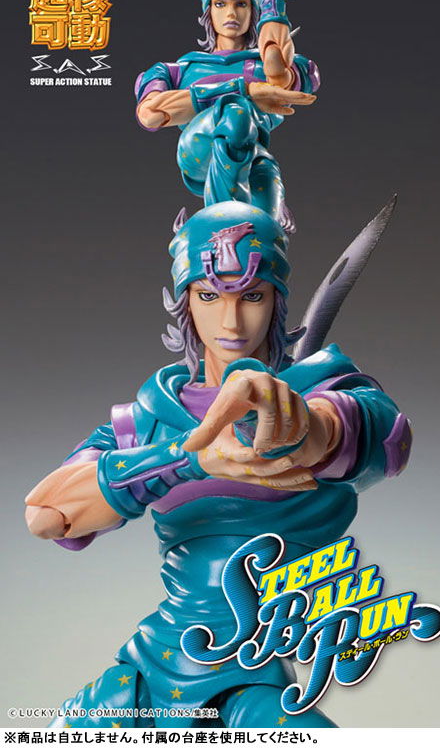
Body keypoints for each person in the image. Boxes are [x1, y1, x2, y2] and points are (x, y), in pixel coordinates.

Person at [25, 200, 412, 728]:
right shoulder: (149, 417)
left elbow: (377, 436)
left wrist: (294, 421)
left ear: (276, 300)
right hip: (147, 673)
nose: (231, 321)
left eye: (251, 296)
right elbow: (46, 515)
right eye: (210, 296)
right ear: (185, 301)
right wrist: (187, 458)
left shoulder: (324, 389)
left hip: (255, 680)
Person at [135, 0, 320, 218]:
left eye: (241, 4)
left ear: (253, 11)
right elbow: (150, 114)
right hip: (198, 149)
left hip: (253, 155)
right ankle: (222, 221)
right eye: (220, 4)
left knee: (267, 190)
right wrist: (245, 90)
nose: (231, 13)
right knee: (236, 111)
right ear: (208, 11)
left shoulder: (272, 65)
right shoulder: (176, 70)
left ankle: (252, 236)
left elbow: (277, 69)